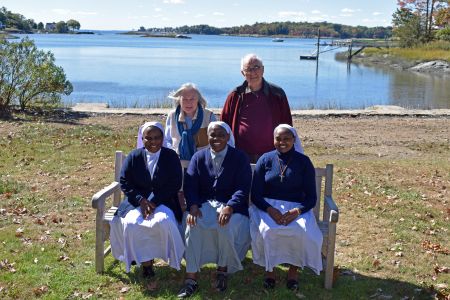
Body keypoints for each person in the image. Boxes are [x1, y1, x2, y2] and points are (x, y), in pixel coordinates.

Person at [177, 121, 252, 298]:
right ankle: (191, 277)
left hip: (231, 207)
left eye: (221, 135)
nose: (216, 138)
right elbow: (190, 185)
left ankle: (222, 270)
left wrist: (230, 207)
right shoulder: (198, 157)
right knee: (192, 225)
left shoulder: (240, 157)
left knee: (225, 226)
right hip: (202, 204)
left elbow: (243, 187)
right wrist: (193, 205)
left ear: (228, 137)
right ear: (207, 137)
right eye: (212, 135)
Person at [249, 124, 322, 291]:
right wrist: (270, 210)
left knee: (301, 232)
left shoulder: (304, 162)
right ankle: (270, 271)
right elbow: (256, 195)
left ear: (294, 140)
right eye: (278, 139)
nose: (282, 142)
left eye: (286, 139)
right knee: (268, 231)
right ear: (273, 140)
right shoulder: (265, 159)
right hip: (267, 206)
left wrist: (297, 212)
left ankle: (293, 271)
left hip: (297, 208)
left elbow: (311, 198)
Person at [110, 122, 185, 278]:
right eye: (148, 138)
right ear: (142, 139)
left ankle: (170, 258)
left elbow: (175, 183)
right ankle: (146, 264)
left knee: (164, 222)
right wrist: (141, 201)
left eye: (157, 137)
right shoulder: (134, 156)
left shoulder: (171, 156)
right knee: (132, 224)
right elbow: (124, 181)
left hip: (164, 201)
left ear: (162, 138)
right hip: (135, 203)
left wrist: (154, 201)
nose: (153, 142)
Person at [221, 54, 293, 163]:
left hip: (271, 154)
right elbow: (224, 125)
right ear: (242, 73)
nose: (253, 72)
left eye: (256, 67)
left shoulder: (277, 94)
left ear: (263, 70)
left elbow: (287, 125)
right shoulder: (235, 95)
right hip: (241, 154)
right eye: (248, 69)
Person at [136, 83, 216, 160]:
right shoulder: (172, 115)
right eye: (184, 99)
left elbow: (215, 139)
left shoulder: (209, 116)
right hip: (178, 160)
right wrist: (173, 155)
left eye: (192, 99)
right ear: (179, 100)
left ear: (198, 99)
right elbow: (167, 139)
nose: (188, 102)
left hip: (203, 160)